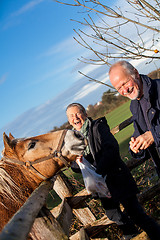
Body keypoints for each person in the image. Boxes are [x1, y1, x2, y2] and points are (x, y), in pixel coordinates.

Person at [66, 103, 160, 240]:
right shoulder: (73, 141)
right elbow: (75, 167)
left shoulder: (98, 127)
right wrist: (78, 162)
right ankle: (131, 234)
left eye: (77, 113)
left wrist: (98, 171)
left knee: (136, 214)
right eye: (71, 116)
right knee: (112, 214)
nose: (75, 118)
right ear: (69, 121)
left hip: (117, 177)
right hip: (102, 186)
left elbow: (112, 149)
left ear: (85, 114)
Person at [109, 60, 160, 177]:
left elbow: (152, 135)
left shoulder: (158, 88)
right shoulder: (134, 106)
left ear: (135, 73)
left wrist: (153, 135)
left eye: (125, 83)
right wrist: (136, 147)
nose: (125, 90)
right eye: (119, 88)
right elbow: (140, 134)